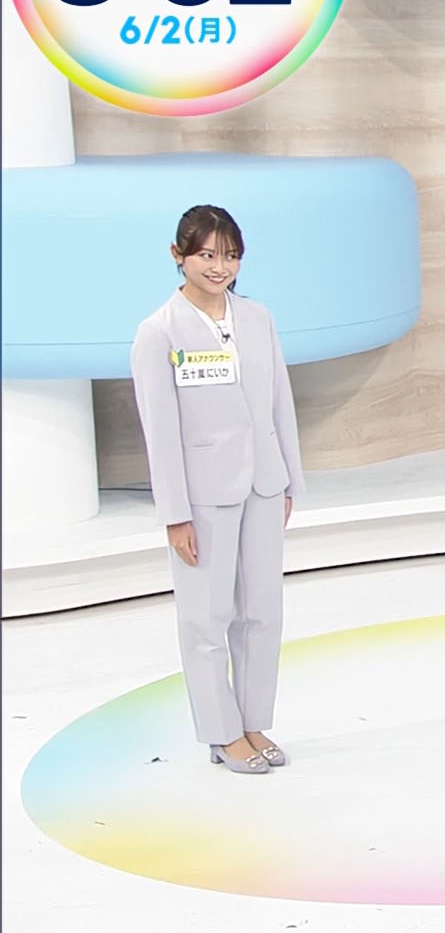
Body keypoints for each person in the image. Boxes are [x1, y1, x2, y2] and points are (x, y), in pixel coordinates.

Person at [130, 205, 305, 775]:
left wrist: (289, 479)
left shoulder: (257, 318)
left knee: (263, 611)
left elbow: (280, 403)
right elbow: (160, 432)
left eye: (230, 255)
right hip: (203, 494)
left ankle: (253, 723)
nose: (219, 266)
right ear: (178, 255)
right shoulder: (158, 332)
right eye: (207, 254)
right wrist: (174, 514)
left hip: (264, 484)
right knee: (206, 618)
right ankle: (222, 733)